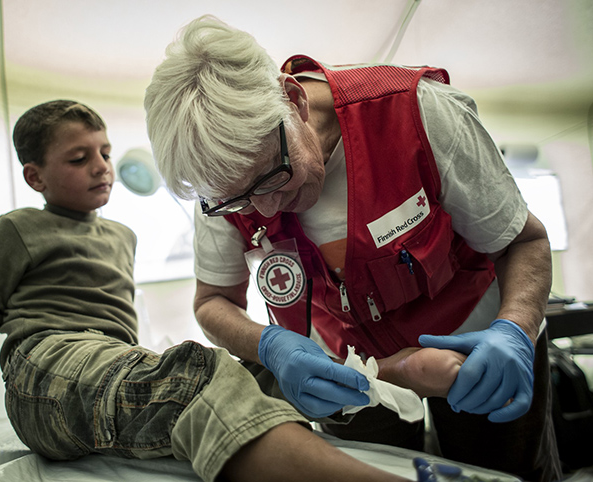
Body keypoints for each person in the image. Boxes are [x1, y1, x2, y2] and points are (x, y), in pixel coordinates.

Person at [0, 100, 469, 482]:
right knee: (191, 376)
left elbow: (120, 354)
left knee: (264, 375)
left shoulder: (122, 234)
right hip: (45, 364)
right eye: (80, 158)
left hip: (110, 362)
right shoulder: (16, 230)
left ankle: (386, 375)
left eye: (105, 152)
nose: (103, 166)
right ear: (35, 176)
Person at [144, 15, 561, 482]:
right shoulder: (223, 185)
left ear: (295, 101)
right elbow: (211, 301)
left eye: (272, 177)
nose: (262, 207)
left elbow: (524, 241)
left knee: (507, 472)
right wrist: (270, 345)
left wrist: (516, 331)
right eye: (237, 200)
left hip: (475, 352)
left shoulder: (418, 113)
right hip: (350, 373)